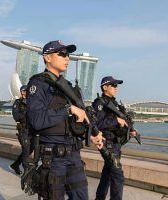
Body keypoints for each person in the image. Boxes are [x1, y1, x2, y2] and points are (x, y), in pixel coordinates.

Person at [26, 40, 103, 200]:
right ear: (47, 57)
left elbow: (78, 119)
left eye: (68, 54)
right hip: (53, 158)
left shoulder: (68, 87)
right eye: (61, 54)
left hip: (74, 154)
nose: (66, 58)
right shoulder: (38, 84)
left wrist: (92, 133)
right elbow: (36, 120)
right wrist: (67, 109)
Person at [93, 76, 137, 200]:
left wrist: (131, 129)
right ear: (105, 87)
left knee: (107, 173)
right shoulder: (99, 103)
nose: (116, 88)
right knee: (118, 176)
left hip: (116, 144)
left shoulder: (115, 104)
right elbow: (97, 123)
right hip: (107, 143)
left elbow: (124, 120)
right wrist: (115, 120)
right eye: (113, 85)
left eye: (117, 86)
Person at [10, 85, 31, 175]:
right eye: (24, 91)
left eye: (27, 91)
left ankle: (16, 164)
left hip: (32, 130)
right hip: (23, 129)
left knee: (29, 149)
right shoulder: (17, 103)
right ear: (21, 92)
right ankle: (26, 169)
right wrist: (26, 113)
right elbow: (16, 117)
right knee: (26, 148)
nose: (26, 92)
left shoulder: (32, 102)